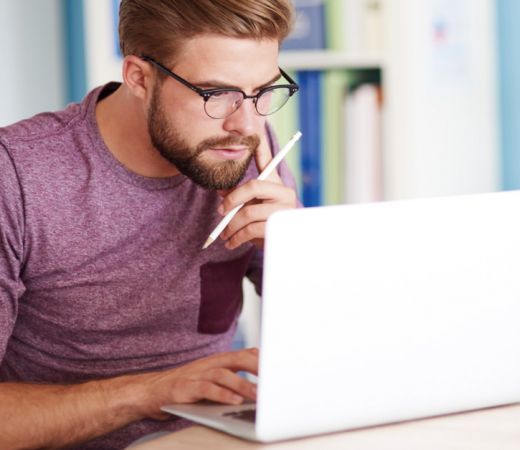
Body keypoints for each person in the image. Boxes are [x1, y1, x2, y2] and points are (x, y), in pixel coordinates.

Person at [0, 1, 300, 448]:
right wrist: (150, 393)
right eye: (217, 95)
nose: (248, 124)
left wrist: (298, 251)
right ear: (139, 77)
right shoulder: (18, 175)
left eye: (263, 91)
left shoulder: (247, 149)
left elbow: (333, 348)